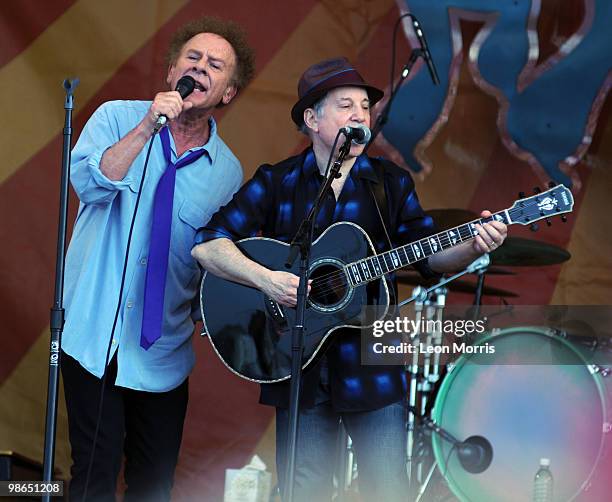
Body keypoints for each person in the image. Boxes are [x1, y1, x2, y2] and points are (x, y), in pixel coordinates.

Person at [191, 57, 507, 501]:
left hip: (371, 367)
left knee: (387, 491)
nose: (361, 114)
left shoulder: (389, 183)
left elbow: (429, 257)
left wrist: (474, 245)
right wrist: (266, 279)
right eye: (346, 105)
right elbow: (207, 245)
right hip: (297, 366)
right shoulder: (278, 181)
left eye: (365, 106)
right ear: (312, 118)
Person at [60, 17, 255, 502]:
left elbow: (210, 265)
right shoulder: (115, 117)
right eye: (192, 57)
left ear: (228, 93)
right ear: (172, 72)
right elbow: (89, 184)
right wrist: (150, 125)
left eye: (215, 65)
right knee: (92, 478)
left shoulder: (228, 174)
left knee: (154, 486)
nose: (200, 67)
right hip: (93, 336)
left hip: (162, 352)